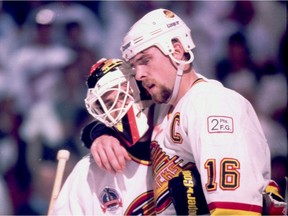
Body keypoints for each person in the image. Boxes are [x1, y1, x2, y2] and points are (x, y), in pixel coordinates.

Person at [84, 8, 286, 215]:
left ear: (177, 50)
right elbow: (123, 122)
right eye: (135, 66)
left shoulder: (211, 104)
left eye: (145, 60)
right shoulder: (165, 106)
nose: (140, 74)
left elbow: (234, 209)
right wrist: (101, 135)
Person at [51, 58, 155, 215]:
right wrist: (99, 132)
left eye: (122, 96)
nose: (117, 109)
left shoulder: (176, 135)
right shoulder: (88, 171)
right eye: (108, 103)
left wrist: (98, 132)